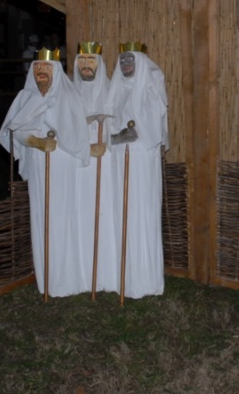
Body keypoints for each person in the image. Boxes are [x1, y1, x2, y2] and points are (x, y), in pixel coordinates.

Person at [0, 47, 90, 297]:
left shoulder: (70, 97)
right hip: (40, 165)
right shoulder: (24, 98)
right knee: (43, 214)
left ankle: (72, 276)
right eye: (37, 67)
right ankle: (49, 277)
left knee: (66, 216)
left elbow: (78, 133)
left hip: (65, 167)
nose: (41, 71)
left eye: (47, 67)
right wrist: (35, 142)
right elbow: (13, 131)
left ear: (56, 71)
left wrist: (65, 142)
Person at [107, 42, 169, 298]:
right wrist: (116, 137)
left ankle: (145, 279)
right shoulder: (115, 89)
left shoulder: (151, 87)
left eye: (129, 60)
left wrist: (134, 133)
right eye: (122, 60)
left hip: (142, 161)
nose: (125, 64)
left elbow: (153, 129)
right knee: (121, 212)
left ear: (141, 62)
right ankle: (122, 276)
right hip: (119, 160)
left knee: (141, 212)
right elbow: (108, 124)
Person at [72, 41, 119, 294]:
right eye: (82, 61)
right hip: (79, 167)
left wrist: (107, 141)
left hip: (106, 165)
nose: (86, 66)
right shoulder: (68, 94)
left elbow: (122, 124)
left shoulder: (112, 92)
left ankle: (108, 274)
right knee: (81, 215)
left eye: (90, 61)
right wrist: (84, 146)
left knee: (105, 214)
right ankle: (82, 274)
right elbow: (62, 128)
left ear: (99, 65)